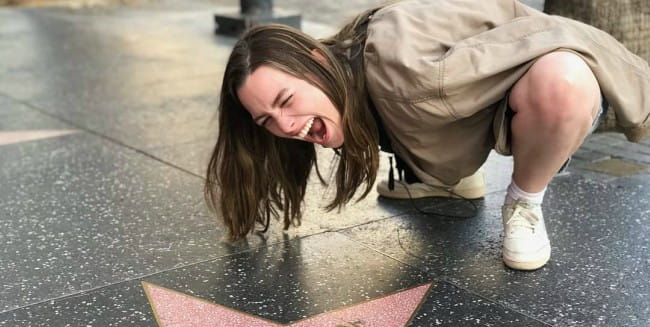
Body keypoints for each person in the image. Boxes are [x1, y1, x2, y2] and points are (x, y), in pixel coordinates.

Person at [205, 0, 650, 270]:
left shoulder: (412, 76)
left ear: (317, 64)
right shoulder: (346, 67)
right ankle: (442, 175)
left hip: (558, 81)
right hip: (446, 104)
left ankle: (524, 201)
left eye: (285, 102)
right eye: (266, 121)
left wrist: (635, 87)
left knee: (562, 82)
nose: (285, 127)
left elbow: (546, 37)